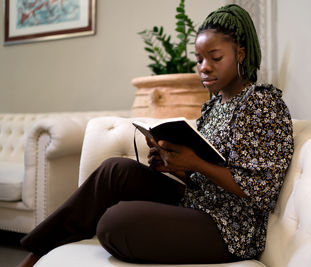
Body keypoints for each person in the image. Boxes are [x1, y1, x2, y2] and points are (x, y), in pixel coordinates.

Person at [18, 4, 294, 266]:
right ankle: (37, 253)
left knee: (115, 223)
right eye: (199, 59)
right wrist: (174, 164)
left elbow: (262, 191)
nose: (204, 67)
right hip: (197, 202)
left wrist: (195, 163)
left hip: (231, 230)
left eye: (215, 58)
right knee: (114, 169)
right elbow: (207, 174)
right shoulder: (214, 105)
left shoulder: (261, 104)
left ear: (241, 55)